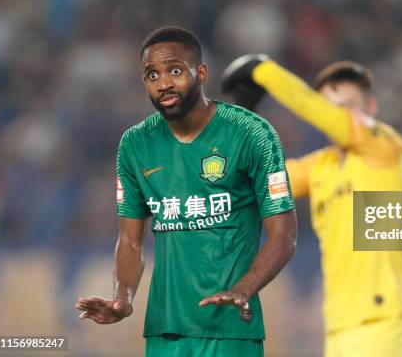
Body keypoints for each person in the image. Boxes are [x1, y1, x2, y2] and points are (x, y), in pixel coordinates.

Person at [75, 27, 297, 357]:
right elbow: (130, 240)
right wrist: (123, 298)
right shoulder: (135, 145)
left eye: (175, 71)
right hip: (165, 331)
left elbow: (284, 235)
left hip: (230, 331)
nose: (163, 83)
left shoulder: (252, 133)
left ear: (201, 73)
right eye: (152, 75)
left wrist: (242, 289)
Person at [222, 56, 402, 356]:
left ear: (371, 107)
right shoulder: (320, 168)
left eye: (346, 106)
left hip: (384, 323)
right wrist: (243, 118)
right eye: (330, 108)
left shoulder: (386, 150)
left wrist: (263, 71)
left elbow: (308, 105)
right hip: (338, 328)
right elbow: (251, 180)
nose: (335, 116)